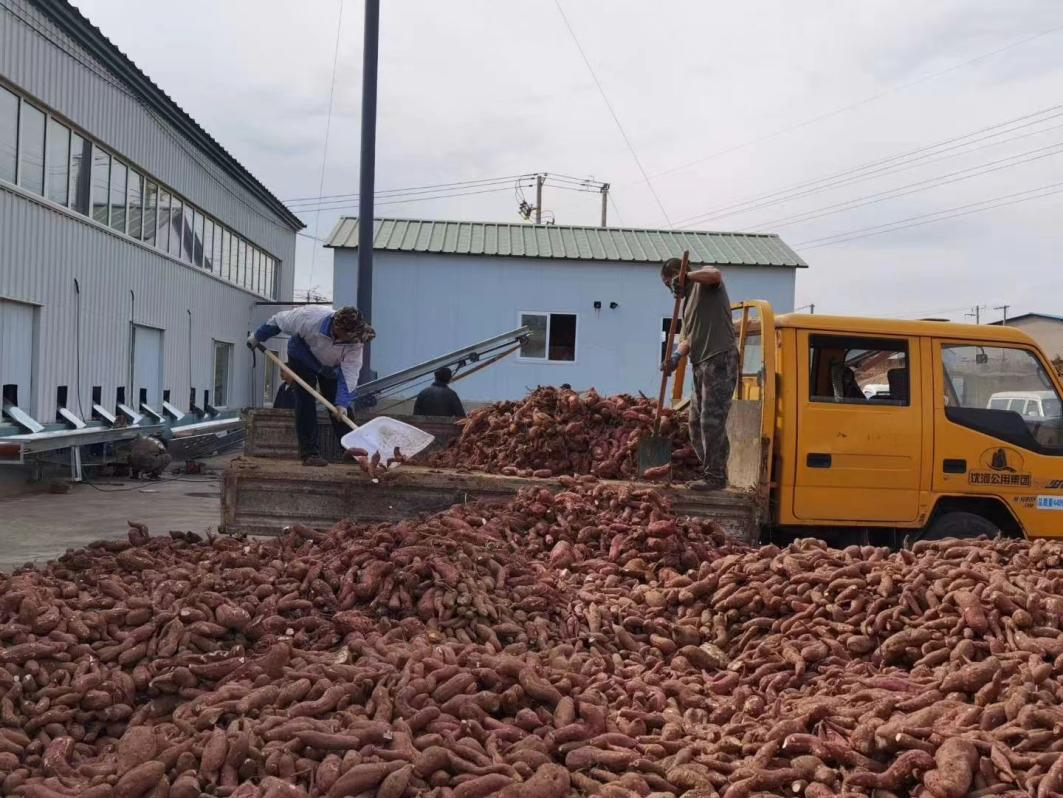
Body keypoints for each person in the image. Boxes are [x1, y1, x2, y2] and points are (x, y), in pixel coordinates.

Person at [248, 305, 375, 467]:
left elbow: (350, 372)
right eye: (347, 336)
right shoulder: (309, 318)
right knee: (305, 401)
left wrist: (342, 403)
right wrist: (257, 337)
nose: (351, 340)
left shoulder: (356, 341)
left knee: (341, 409)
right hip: (302, 357)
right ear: (336, 327)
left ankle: (355, 452)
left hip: (330, 367)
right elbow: (277, 321)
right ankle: (310, 454)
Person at [660, 257, 738, 490]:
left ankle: (715, 477)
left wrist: (687, 277)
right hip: (700, 363)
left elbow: (715, 273)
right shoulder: (686, 306)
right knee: (694, 423)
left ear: (679, 273)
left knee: (710, 421)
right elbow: (687, 339)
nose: (671, 289)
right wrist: (675, 356)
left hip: (720, 359)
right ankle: (712, 471)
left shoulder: (705, 285)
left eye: (670, 283)